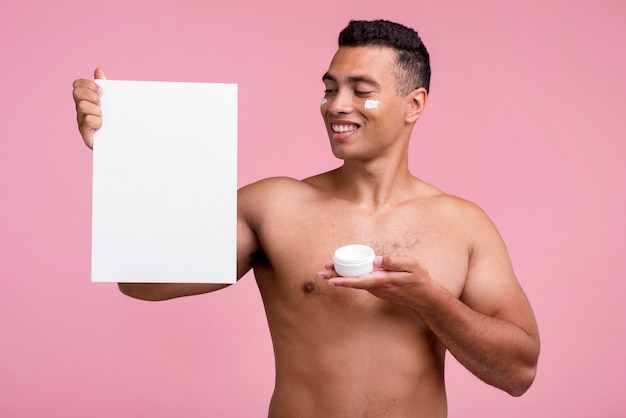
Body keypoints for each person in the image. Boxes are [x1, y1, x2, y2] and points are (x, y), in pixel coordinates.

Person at [72, 19, 539, 417]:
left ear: (413, 104)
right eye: (330, 88)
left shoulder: (463, 224)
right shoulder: (273, 206)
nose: (336, 105)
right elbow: (141, 282)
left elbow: (518, 373)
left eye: (362, 90)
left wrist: (429, 300)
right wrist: (122, 156)